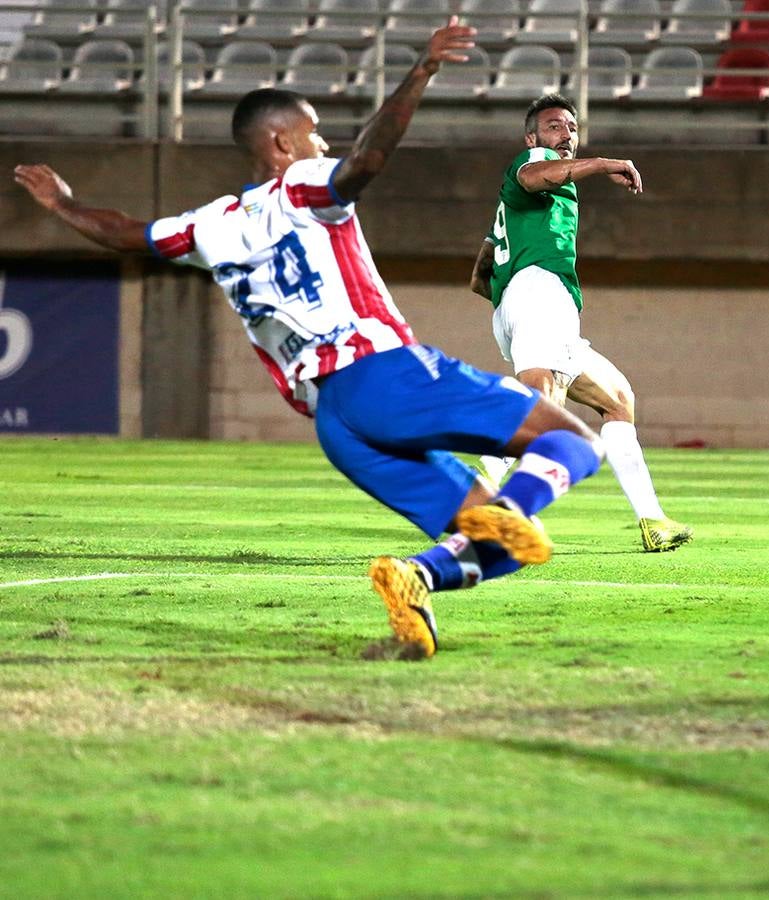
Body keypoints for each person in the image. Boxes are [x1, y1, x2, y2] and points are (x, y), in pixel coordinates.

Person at [13, 19, 606, 660]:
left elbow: (128, 233)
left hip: (335, 425)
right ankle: (512, 510)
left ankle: (416, 580)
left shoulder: (209, 225)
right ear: (280, 141)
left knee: (489, 547)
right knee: (573, 440)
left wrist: (64, 204)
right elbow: (366, 162)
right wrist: (422, 70)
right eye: (314, 130)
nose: (322, 140)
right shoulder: (301, 185)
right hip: (381, 373)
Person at [469, 94, 693, 554]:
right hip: (540, 295)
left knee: (617, 399)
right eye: (553, 127)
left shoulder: (516, 212)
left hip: (521, 302)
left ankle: (652, 521)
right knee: (543, 408)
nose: (565, 135)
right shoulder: (534, 162)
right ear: (532, 137)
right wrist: (607, 163)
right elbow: (537, 174)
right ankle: (486, 505)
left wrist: (509, 297)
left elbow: (479, 274)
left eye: (570, 127)